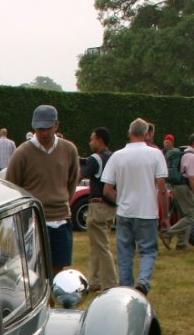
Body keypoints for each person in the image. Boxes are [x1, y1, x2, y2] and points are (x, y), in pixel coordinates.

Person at [4, 105, 80, 272]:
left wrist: (63, 201)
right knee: (33, 269)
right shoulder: (22, 152)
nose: (43, 133)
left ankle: (53, 297)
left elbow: (72, 180)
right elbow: (12, 185)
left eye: (47, 128)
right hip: (33, 219)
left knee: (58, 267)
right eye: (39, 128)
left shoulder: (69, 149)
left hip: (61, 217)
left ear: (56, 126)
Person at [101, 118, 169, 295]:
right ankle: (143, 282)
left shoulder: (117, 155)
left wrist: (121, 200)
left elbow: (107, 189)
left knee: (125, 253)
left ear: (129, 133)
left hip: (125, 212)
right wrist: (166, 216)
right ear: (147, 134)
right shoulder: (155, 155)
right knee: (148, 251)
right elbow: (162, 188)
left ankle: (125, 289)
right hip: (147, 212)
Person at [80, 127, 116, 292]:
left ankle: (110, 284)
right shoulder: (112, 157)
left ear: (99, 140)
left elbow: (80, 175)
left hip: (97, 205)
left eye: (92, 138)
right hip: (110, 207)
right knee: (97, 245)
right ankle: (94, 281)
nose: (90, 142)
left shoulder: (95, 158)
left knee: (101, 246)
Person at [161, 132, 193, 251]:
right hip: (184, 187)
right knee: (190, 216)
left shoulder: (184, 153)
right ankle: (167, 234)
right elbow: (191, 177)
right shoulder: (191, 156)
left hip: (177, 187)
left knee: (183, 216)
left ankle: (181, 244)